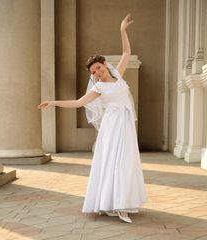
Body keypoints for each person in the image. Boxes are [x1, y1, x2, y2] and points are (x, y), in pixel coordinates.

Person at [38, 14, 147, 223]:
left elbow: (126, 52)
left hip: (125, 126)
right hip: (112, 126)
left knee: (125, 162)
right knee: (112, 163)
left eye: (98, 68)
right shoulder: (99, 87)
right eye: (93, 72)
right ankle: (116, 206)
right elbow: (79, 102)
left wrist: (122, 30)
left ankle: (121, 203)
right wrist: (53, 102)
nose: (96, 72)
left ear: (105, 64)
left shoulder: (119, 76)